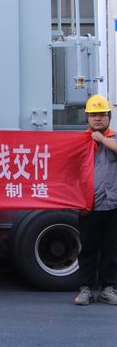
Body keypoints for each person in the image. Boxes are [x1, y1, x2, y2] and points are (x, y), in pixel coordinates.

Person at [73, 94, 117, 306]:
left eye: (102, 114)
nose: (98, 118)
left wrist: (102, 140)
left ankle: (108, 289)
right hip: (88, 207)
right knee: (88, 250)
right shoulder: (78, 142)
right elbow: (68, 173)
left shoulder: (113, 139)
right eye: (93, 115)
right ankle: (86, 289)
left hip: (113, 205)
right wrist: (78, 202)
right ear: (87, 118)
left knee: (111, 251)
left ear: (109, 117)